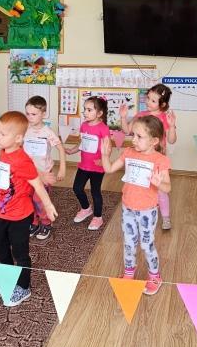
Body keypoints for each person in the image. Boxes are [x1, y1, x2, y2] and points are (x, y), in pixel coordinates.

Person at [0, 111, 59, 307]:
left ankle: (23, 287)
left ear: (18, 138)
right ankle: (7, 278)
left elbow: (37, 185)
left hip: (20, 215)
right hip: (2, 211)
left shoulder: (21, 159)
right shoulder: (4, 152)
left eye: (3, 134)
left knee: (20, 252)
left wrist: (48, 205)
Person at [102, 115, 171, 295]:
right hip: (128, 208)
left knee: (147, 245)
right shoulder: (128, 152)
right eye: (133, 135)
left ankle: (155, 276)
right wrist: (105, 155)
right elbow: (109, 169)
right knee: (129, 243)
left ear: (154, 141)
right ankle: (129, 273)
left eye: (139, 136)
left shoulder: (160, 160)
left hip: (147, 211)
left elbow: (168, 187)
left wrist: (158, 183)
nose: (133, 139)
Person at [119, 83, 177, 230]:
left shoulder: (165, 118)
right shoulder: (141, 115)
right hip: (140, 159)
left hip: (157, 161)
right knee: (142, 187)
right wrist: (123, 117)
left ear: (162, 104)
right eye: (148, 98)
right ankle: (141, 211)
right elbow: (127, 130)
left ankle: (165, 217)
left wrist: (172, 125)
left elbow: (171, 140)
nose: (148, 102)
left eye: (153, 100)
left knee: (160, 189)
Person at [23, 95, 66, 241]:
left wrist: (62, 168)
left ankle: (46, 223)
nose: (30, 117)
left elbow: (60, 148)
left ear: (43, 114)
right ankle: (34, 222)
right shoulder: (25, 129)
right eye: (27, 113)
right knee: (28, 198)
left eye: (34, 114)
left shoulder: (47, 132)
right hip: (28, 172)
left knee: (39, 199)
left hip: (44, 173)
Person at [66, 96, 111, 231]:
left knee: (95, 192)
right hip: (84, 165)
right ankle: (86, 208)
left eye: (89, 110)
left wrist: (103, 160)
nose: (85, 112)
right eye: (85, 109)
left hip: (97, 167)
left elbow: (108, 147)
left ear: (99, 113)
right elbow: (82, 143)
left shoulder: (103, 128)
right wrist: (72, 150)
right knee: (77, 188)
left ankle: (98, 217)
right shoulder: (84, 125)